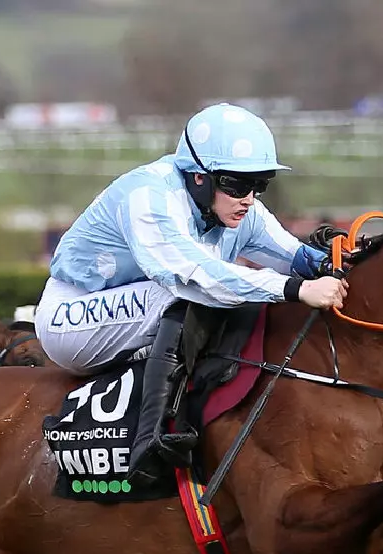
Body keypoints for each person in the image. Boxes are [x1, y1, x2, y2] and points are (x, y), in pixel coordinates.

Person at [33, 102, 348, 487]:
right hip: (71, 316)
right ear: (198, 177)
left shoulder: (237, 208)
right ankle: (149, 443)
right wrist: (296, 289)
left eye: (258, 183)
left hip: (134, 307)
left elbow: (292, 255)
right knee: (188, 296)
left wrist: (338, 260)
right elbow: (197, 277)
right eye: (236, 184)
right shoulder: (149, 196)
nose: (248, 198)